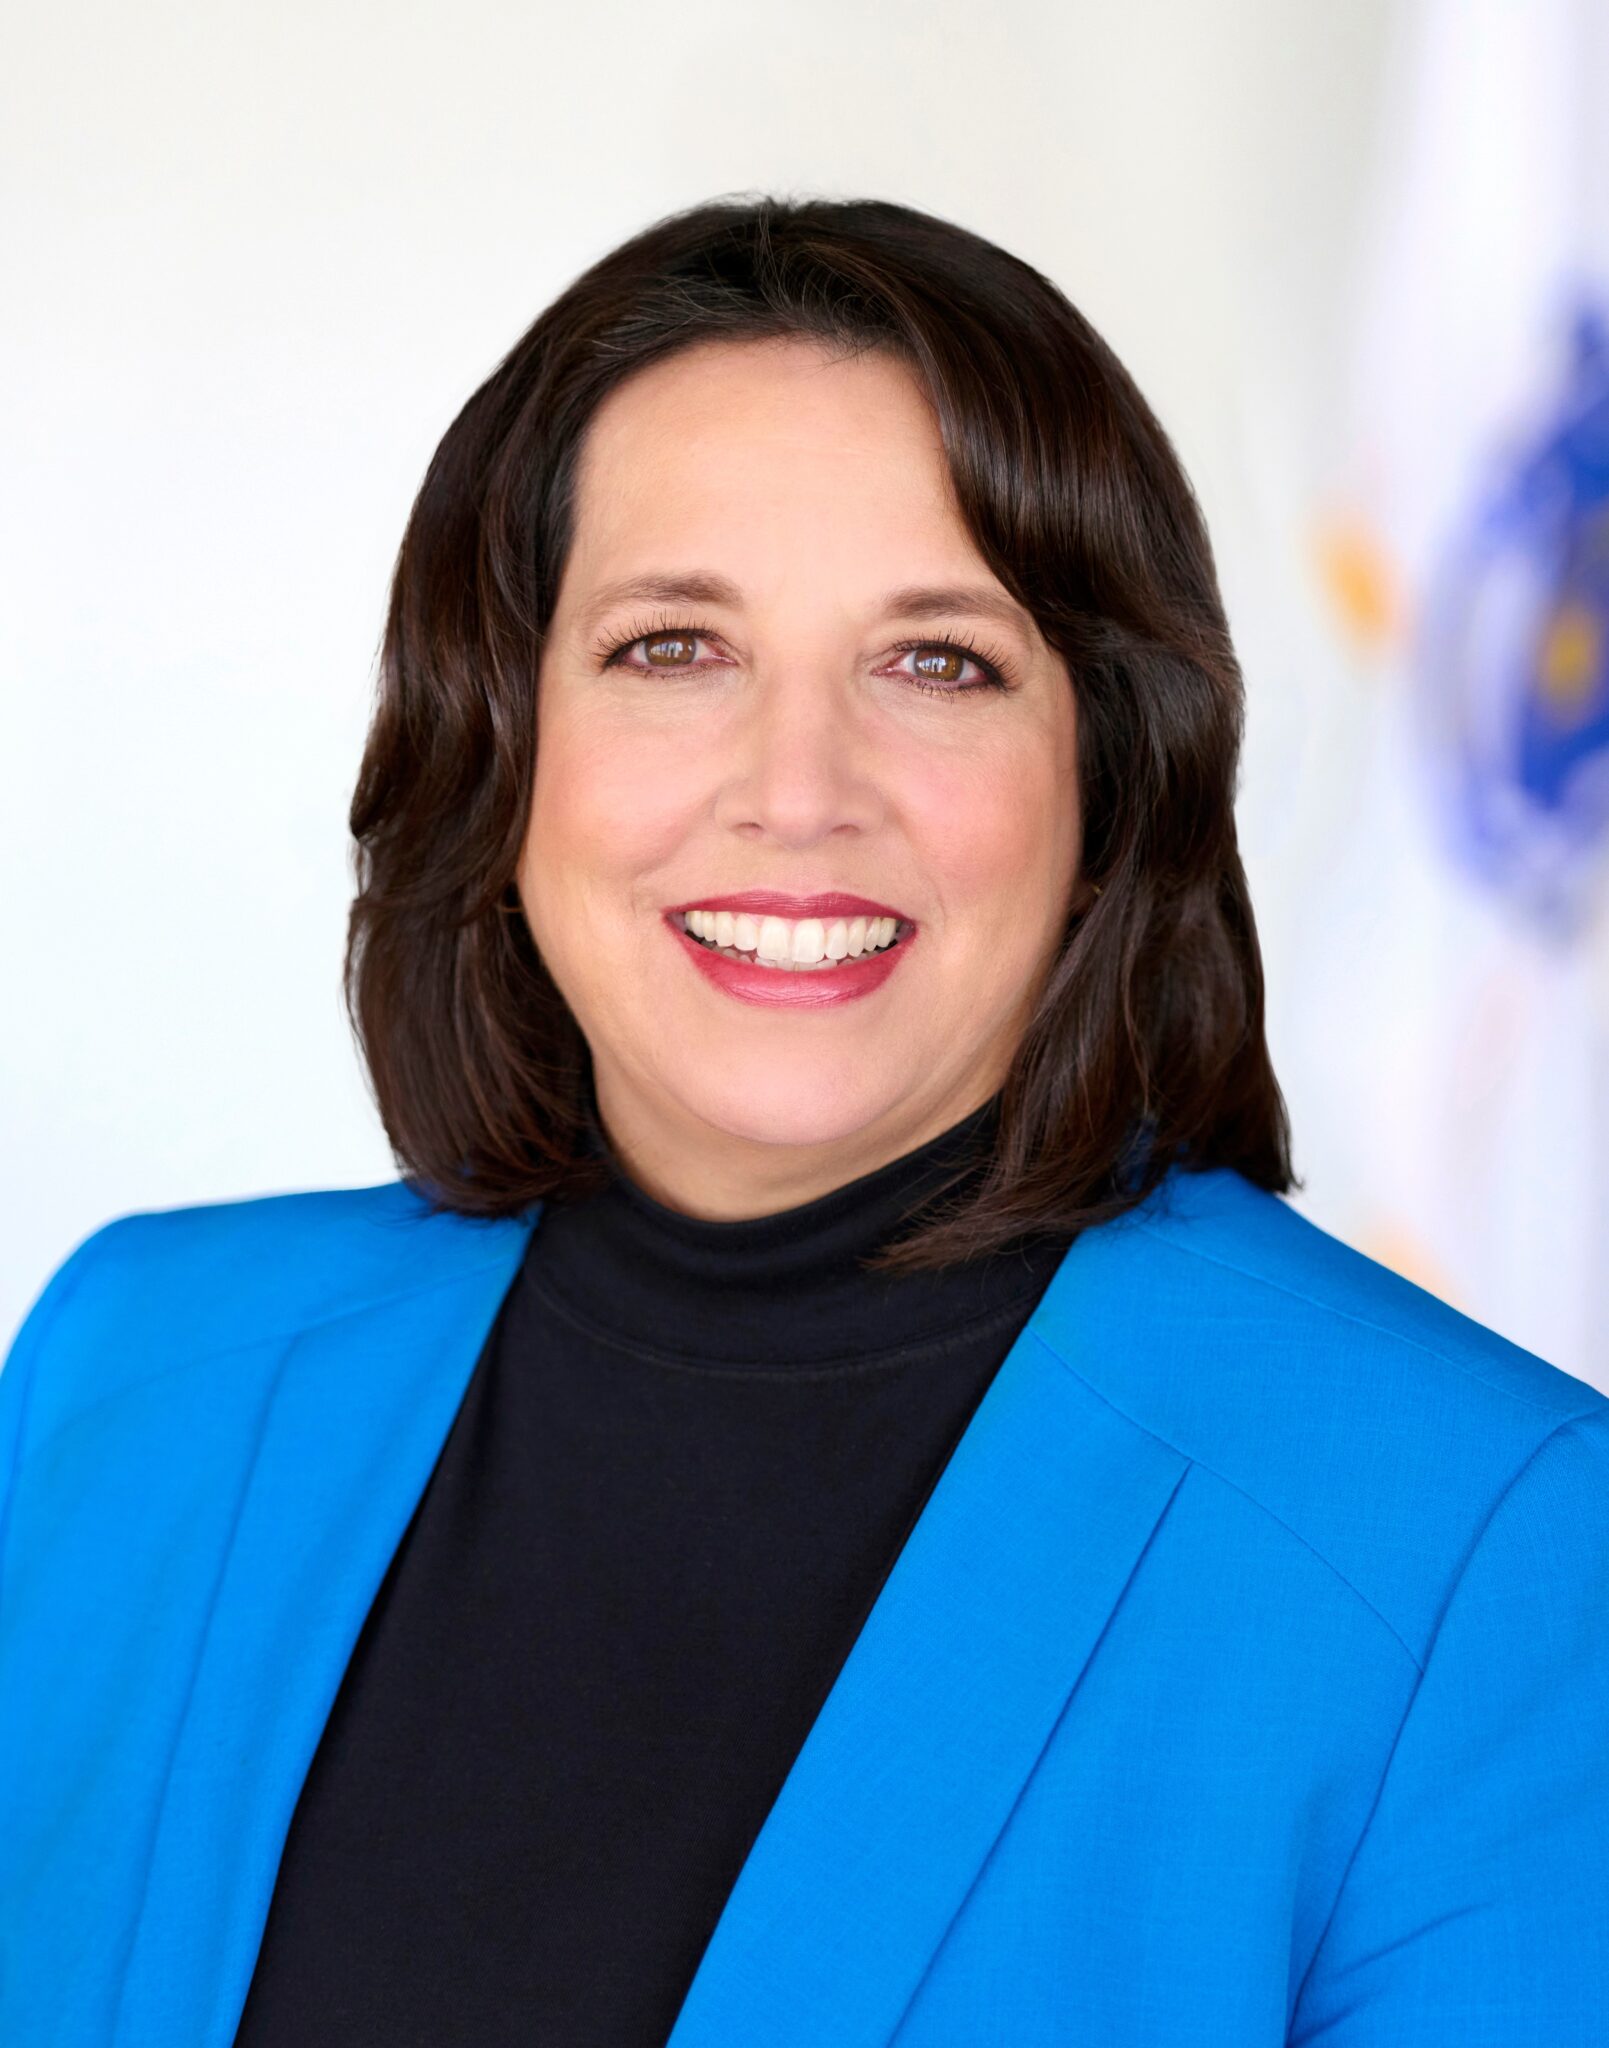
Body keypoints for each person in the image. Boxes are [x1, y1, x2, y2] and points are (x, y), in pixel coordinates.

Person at [1, 195, 1605, 2048]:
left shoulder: (1480, 1540)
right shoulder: (133, 1375)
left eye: (939, 661)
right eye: (673, 647)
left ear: (1108, 775)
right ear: (499, 729)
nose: (797, 792)